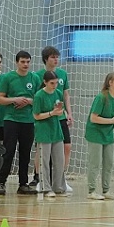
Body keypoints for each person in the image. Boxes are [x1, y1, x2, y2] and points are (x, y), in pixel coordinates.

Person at [0, 51, 41, 195]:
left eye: (28, 61)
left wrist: (28, 101)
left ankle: (23, 184)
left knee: (25, 153)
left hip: (28, 121)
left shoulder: (34, 78)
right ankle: (1, 182)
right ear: (17, 62)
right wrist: (15, 100)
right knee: (8, 151)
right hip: (11, 119)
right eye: (23, 62)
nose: (26, 64)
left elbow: (40, 99)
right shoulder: (8, 78)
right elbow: (0, 99)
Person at [33, 46, 73, 193]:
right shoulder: (38, 76)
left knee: (64, 147)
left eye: (57, 56)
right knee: (43, 150)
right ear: (46, 59)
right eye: (52, 57)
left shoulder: (62, 75)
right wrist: (48, 112)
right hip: (44, 119)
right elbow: (36, 100)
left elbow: (65, 95)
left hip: (59, 118)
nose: (56, 59)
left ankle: (60, 181)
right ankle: (40, 179)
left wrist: (69, 113)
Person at [85, 72, 114, 200]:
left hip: (108, 133)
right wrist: (112, 121)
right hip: (95, 133)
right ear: (110, 83)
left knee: (108, 163)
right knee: (95, 163)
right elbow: (93, 118)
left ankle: (106, 190)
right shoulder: (101, 97)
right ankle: (91, 191)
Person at [32, 71, 67, 197]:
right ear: (45, 82)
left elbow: (59, 110)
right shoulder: (39, 95)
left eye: (56, 83)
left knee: (59, 160)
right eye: (52, 83)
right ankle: (45, 187)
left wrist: (61, 112)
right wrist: (52, 113)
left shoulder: (58, 93)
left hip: (56, 129)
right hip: (43, 131)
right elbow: (36, 115)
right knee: (44, 161)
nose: (55, 85)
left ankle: (58, 186)